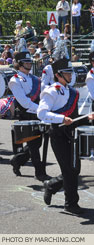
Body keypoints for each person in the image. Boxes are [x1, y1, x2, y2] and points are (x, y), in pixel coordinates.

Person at [38, 58, 94, 214]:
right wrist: (61, 119)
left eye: (71, 73)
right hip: (58, 134)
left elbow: (74, 116)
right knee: (69, 170)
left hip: (72, 133)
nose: (71, 76)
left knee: (74, 170)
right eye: (67, 73)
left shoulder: (72, 92)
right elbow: (42, 113)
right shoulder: (51, 91)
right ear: (58, 75)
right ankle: (70, 204)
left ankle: (51, 185)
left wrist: (87, 117)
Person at [8, 51, 50, 181]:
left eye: (29, 61)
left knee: (37, 144)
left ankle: (17, 160)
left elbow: (43, 93)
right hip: (27, 116)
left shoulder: (34, 78)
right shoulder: (14, 80)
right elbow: (25, 103)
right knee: (34, 145)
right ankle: (40, 173)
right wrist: (42, 110)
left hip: (37, 114)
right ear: (20, 64)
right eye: (26, 62)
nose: (29, 64)